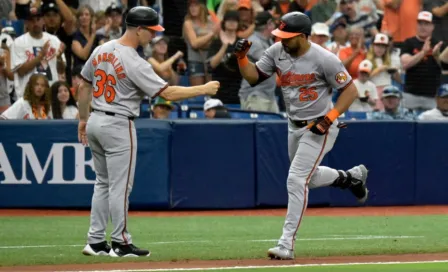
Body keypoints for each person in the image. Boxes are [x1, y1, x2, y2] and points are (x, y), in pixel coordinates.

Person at [77, 6, 219, 258]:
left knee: (102, 184)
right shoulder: (133, 60)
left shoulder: (102, 49)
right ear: (139, 29)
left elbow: (84, 84)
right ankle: (120, 243)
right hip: (119, 122)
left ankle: (96, 241)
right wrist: (202, 89)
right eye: (151, 31)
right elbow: (168, 93)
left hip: (97, 119)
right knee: (120, 187)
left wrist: (83, 119)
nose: (153, 36)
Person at [234, 11, 368, 260]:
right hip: (294, 124)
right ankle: (351, 177)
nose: (282, 39)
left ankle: (286, 244)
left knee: (295, 179)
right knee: (309, 178)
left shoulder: (324, 58)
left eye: (288, 35)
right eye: (280, 34)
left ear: (303, 36)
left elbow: (351, 90)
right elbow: (253, 77)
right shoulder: (277, 51)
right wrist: (242, 58)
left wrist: (330, 118)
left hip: (320, 125)